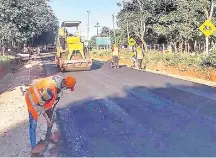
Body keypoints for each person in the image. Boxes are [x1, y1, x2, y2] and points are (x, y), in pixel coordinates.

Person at [25, 75, 76, 152]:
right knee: (33, 124)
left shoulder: (60, 81)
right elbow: (40, 106)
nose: (68, 90)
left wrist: (50, 117)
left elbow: (51, 99)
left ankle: (48, 136)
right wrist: (47, 120)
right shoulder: (50, 90)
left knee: (51, 116)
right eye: (68, 88)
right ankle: (34, 149)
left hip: (42, 99)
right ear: (65, 85)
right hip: (32, 99)